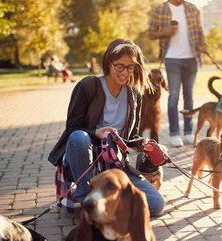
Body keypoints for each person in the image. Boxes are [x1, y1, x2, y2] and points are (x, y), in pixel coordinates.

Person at [47, 38, 165, 217]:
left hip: (115, 164)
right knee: (79, 136)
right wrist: (96, 133)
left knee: (157, 205)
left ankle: (107, 203)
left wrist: (144, 143)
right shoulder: (88, 85)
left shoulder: (134, 94)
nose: (125, 72)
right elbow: (71, 130)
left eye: (130, 67)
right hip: (84, 161)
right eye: (120, 66)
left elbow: (130, 137)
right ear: (109, 62)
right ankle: (87, 196)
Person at [148, 0, 207, 147]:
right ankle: (174, 133)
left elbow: (199, 30)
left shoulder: (192, 8)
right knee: (173, 95)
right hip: (171, 57)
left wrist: (203, 44)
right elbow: (150, 34)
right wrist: (166, 32)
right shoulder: (159, 10)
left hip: (191, 57)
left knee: (189, 96)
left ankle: (188, 133)